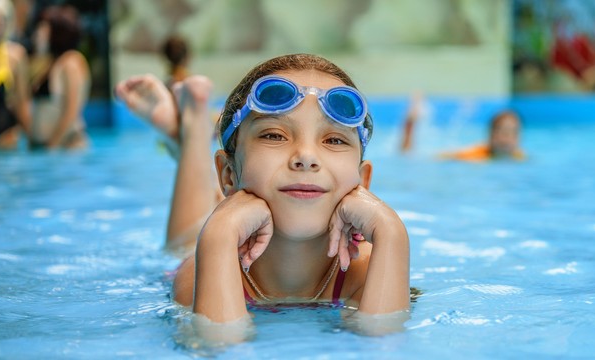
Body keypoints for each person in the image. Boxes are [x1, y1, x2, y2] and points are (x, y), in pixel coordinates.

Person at [116, 54, 410, 336]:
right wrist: (219, 234)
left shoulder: (368, 268)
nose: (306, 157)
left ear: (363, 180)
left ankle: (187, 132)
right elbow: (216, 347)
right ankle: (194, 125)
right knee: (185, 243)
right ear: (228, 175)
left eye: (333, 139)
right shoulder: (199, 269)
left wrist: (391, 233)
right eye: (274, 135)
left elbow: (382, 344)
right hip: (204, 250)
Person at [29, 5, 90, 149]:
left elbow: (72, 108)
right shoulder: (50, 63)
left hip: (66, 147)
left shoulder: (71, 62)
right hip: (49, 149)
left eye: (43, 29)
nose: (38, 33)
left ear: (58, 32)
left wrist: (53, 145)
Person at [401, 99, 526, 161]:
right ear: (491, 134)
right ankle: (410, 125)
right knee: (408, 154)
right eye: (502, 132)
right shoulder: (476, 155)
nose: (507, 138)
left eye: (513, 133)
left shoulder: (520, 157)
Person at [0, 0, 31, 149]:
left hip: (3, 142)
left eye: (0, 23)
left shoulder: (15, 57)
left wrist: (31, 138)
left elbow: (22, 103)